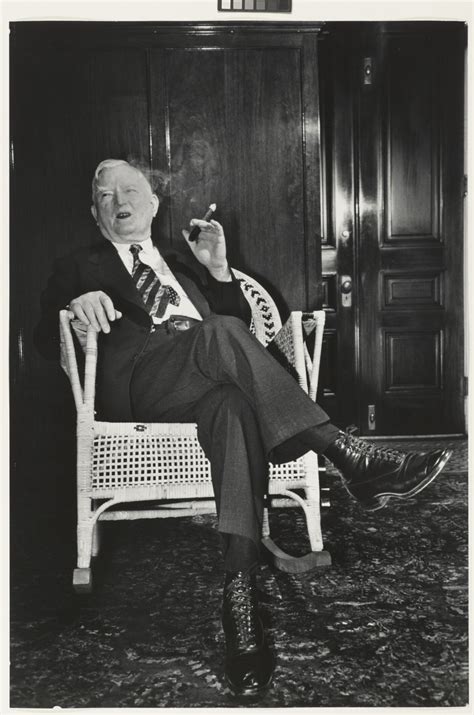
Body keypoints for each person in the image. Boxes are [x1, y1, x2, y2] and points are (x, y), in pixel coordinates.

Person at [35, 159, 452, 699]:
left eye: (131, 189)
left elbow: (240, 329)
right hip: (139, 386)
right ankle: (344, 454)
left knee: (233, 405)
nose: (121, 200)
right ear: (96, 215)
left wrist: (219, 271)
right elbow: (45, 335)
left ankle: (239, 597)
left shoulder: (183, 263)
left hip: (207, 383)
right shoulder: (78, 265)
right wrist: (74, 305)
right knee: (220, 336)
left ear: (154, 204)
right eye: (107, 195)